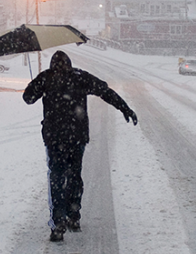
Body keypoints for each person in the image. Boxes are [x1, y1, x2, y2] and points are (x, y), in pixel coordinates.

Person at [23, 50, 137, 242]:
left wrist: (35, 83)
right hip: (77, 137)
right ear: (69, 63)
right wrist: (124, 108)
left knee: (57, 176)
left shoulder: (47, 78)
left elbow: (28, 98)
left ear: (52, 64)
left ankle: (58, 221)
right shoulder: (80, 76)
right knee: (74, 174)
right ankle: (73, 216)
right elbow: (105, 91)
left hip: (55, 138)